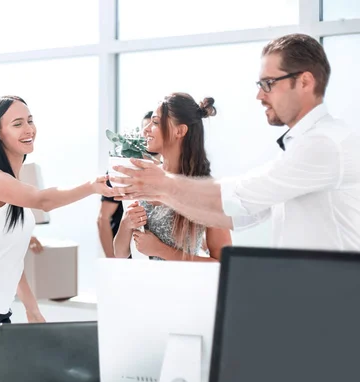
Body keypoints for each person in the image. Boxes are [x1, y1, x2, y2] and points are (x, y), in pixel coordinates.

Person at [110, 33, 360, 251]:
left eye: (268, 83)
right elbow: (236, 216)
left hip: (334, 296)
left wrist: (163, 184)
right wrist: (161, 192)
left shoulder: (324, 144)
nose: (259, 95)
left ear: (305, 81)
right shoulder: (302, 145)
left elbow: (241, 196)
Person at [0, 95, 115, 382]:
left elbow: (10, 256)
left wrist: (32, 309)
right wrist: (93, 186)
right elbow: (43, 200)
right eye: (17, 123)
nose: (28, 128)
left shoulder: (13, 182)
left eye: (30, 120)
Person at [113, 95, 231, 261]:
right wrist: (126, 224)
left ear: (180, 131)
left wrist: (162, 250)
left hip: (181, 286)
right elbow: (120, 253)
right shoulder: (145, 177)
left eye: (155, 122)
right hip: (141, 284)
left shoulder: (206, 191)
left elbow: (222, 263)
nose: (145, 129)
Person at [98, 111, 152, 257]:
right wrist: (112, 260)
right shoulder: (121, 170)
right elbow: (103, 218)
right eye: (145, 129)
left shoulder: (165, 174)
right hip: (123, 252)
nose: (148, 134)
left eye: (154, 127)